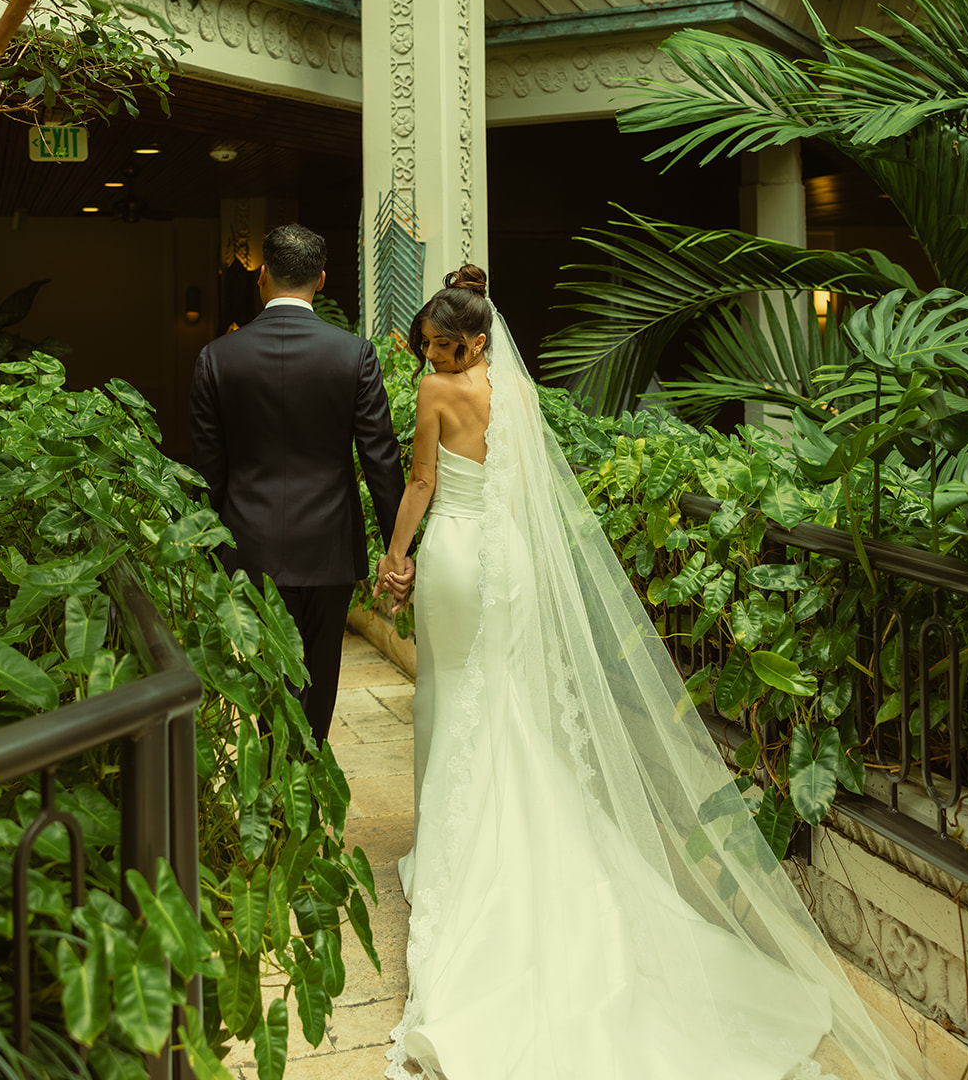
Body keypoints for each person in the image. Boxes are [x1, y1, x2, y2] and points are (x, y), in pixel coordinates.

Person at [374, 265, 923, 1080]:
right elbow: (525, 492)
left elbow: (421, 481)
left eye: (444, 351)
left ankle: (466, 859)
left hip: (455, 553)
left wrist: (393, 557)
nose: (433, 364)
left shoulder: (432, 399)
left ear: (477, 342)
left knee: (458, 703)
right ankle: (513, 847)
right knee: (506, 707)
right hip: (511, 561)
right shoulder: (518, 395)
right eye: (427, 352)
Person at [190, 223, 404, 746]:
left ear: (262, 277)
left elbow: (207, 471)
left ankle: (275, 774)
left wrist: (207, 551)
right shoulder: (355, 354)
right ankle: (306, 776)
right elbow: (379, 458)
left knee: (270, 674)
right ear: (322, 281)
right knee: (321, 675)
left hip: (251, 546)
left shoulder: (217, 358)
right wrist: (400, 549)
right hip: (329, 547)